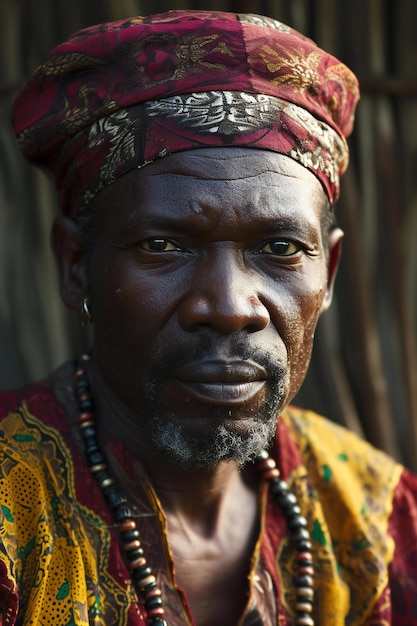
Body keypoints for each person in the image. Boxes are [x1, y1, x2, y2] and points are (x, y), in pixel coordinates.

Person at [2, 9, 417, 626]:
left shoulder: (381, 521)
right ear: (75, 267)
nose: (227, 308)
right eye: (163, 246)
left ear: (328, 274)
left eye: (280, 249)